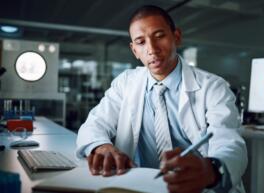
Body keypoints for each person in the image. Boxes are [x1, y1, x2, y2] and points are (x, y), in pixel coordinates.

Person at [76, 5, 247, 193]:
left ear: (177, 37)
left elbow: (229, 143)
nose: (152, 49)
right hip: (138, 186)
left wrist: (211, 170)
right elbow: (94, 124)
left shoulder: (213, 87)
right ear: (134, 51)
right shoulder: (125, 83)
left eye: (159, 36)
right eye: (141, 42)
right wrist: (101, 146)